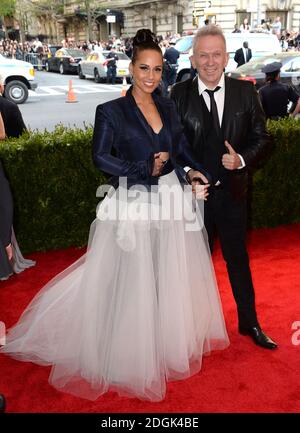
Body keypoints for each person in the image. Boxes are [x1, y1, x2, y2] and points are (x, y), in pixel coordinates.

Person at [0, 29, 229, 402]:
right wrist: (143, 169)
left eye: (157, 69)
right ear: (131, 67)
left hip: (170, 197)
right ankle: (127, 344)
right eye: (144, 68)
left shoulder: (168, 105)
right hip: (133, 200)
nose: (151, 76)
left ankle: (160, 338)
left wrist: (192, 171)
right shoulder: (111, 111)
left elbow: (181, 148)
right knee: (131, 274)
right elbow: (100, 157)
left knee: (165, 270)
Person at [170, 25, 278, 350]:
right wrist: (188, 173)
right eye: (203, 54)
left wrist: (241, 160)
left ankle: (250, 323)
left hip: (232, 195)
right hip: (194, 199)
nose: (210, 61)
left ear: (227, 57)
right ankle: (190, 329)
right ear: (193, 58)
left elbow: (264, 139)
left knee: (238, 260)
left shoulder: (247, 93)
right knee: (191, 265)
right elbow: (170, 145)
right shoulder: (177, 95)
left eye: (216, 54)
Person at [0, 93, 35, 281]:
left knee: (4, 204)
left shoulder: (7, 107)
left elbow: (2, 134)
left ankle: (6, 245)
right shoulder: (9, 106)